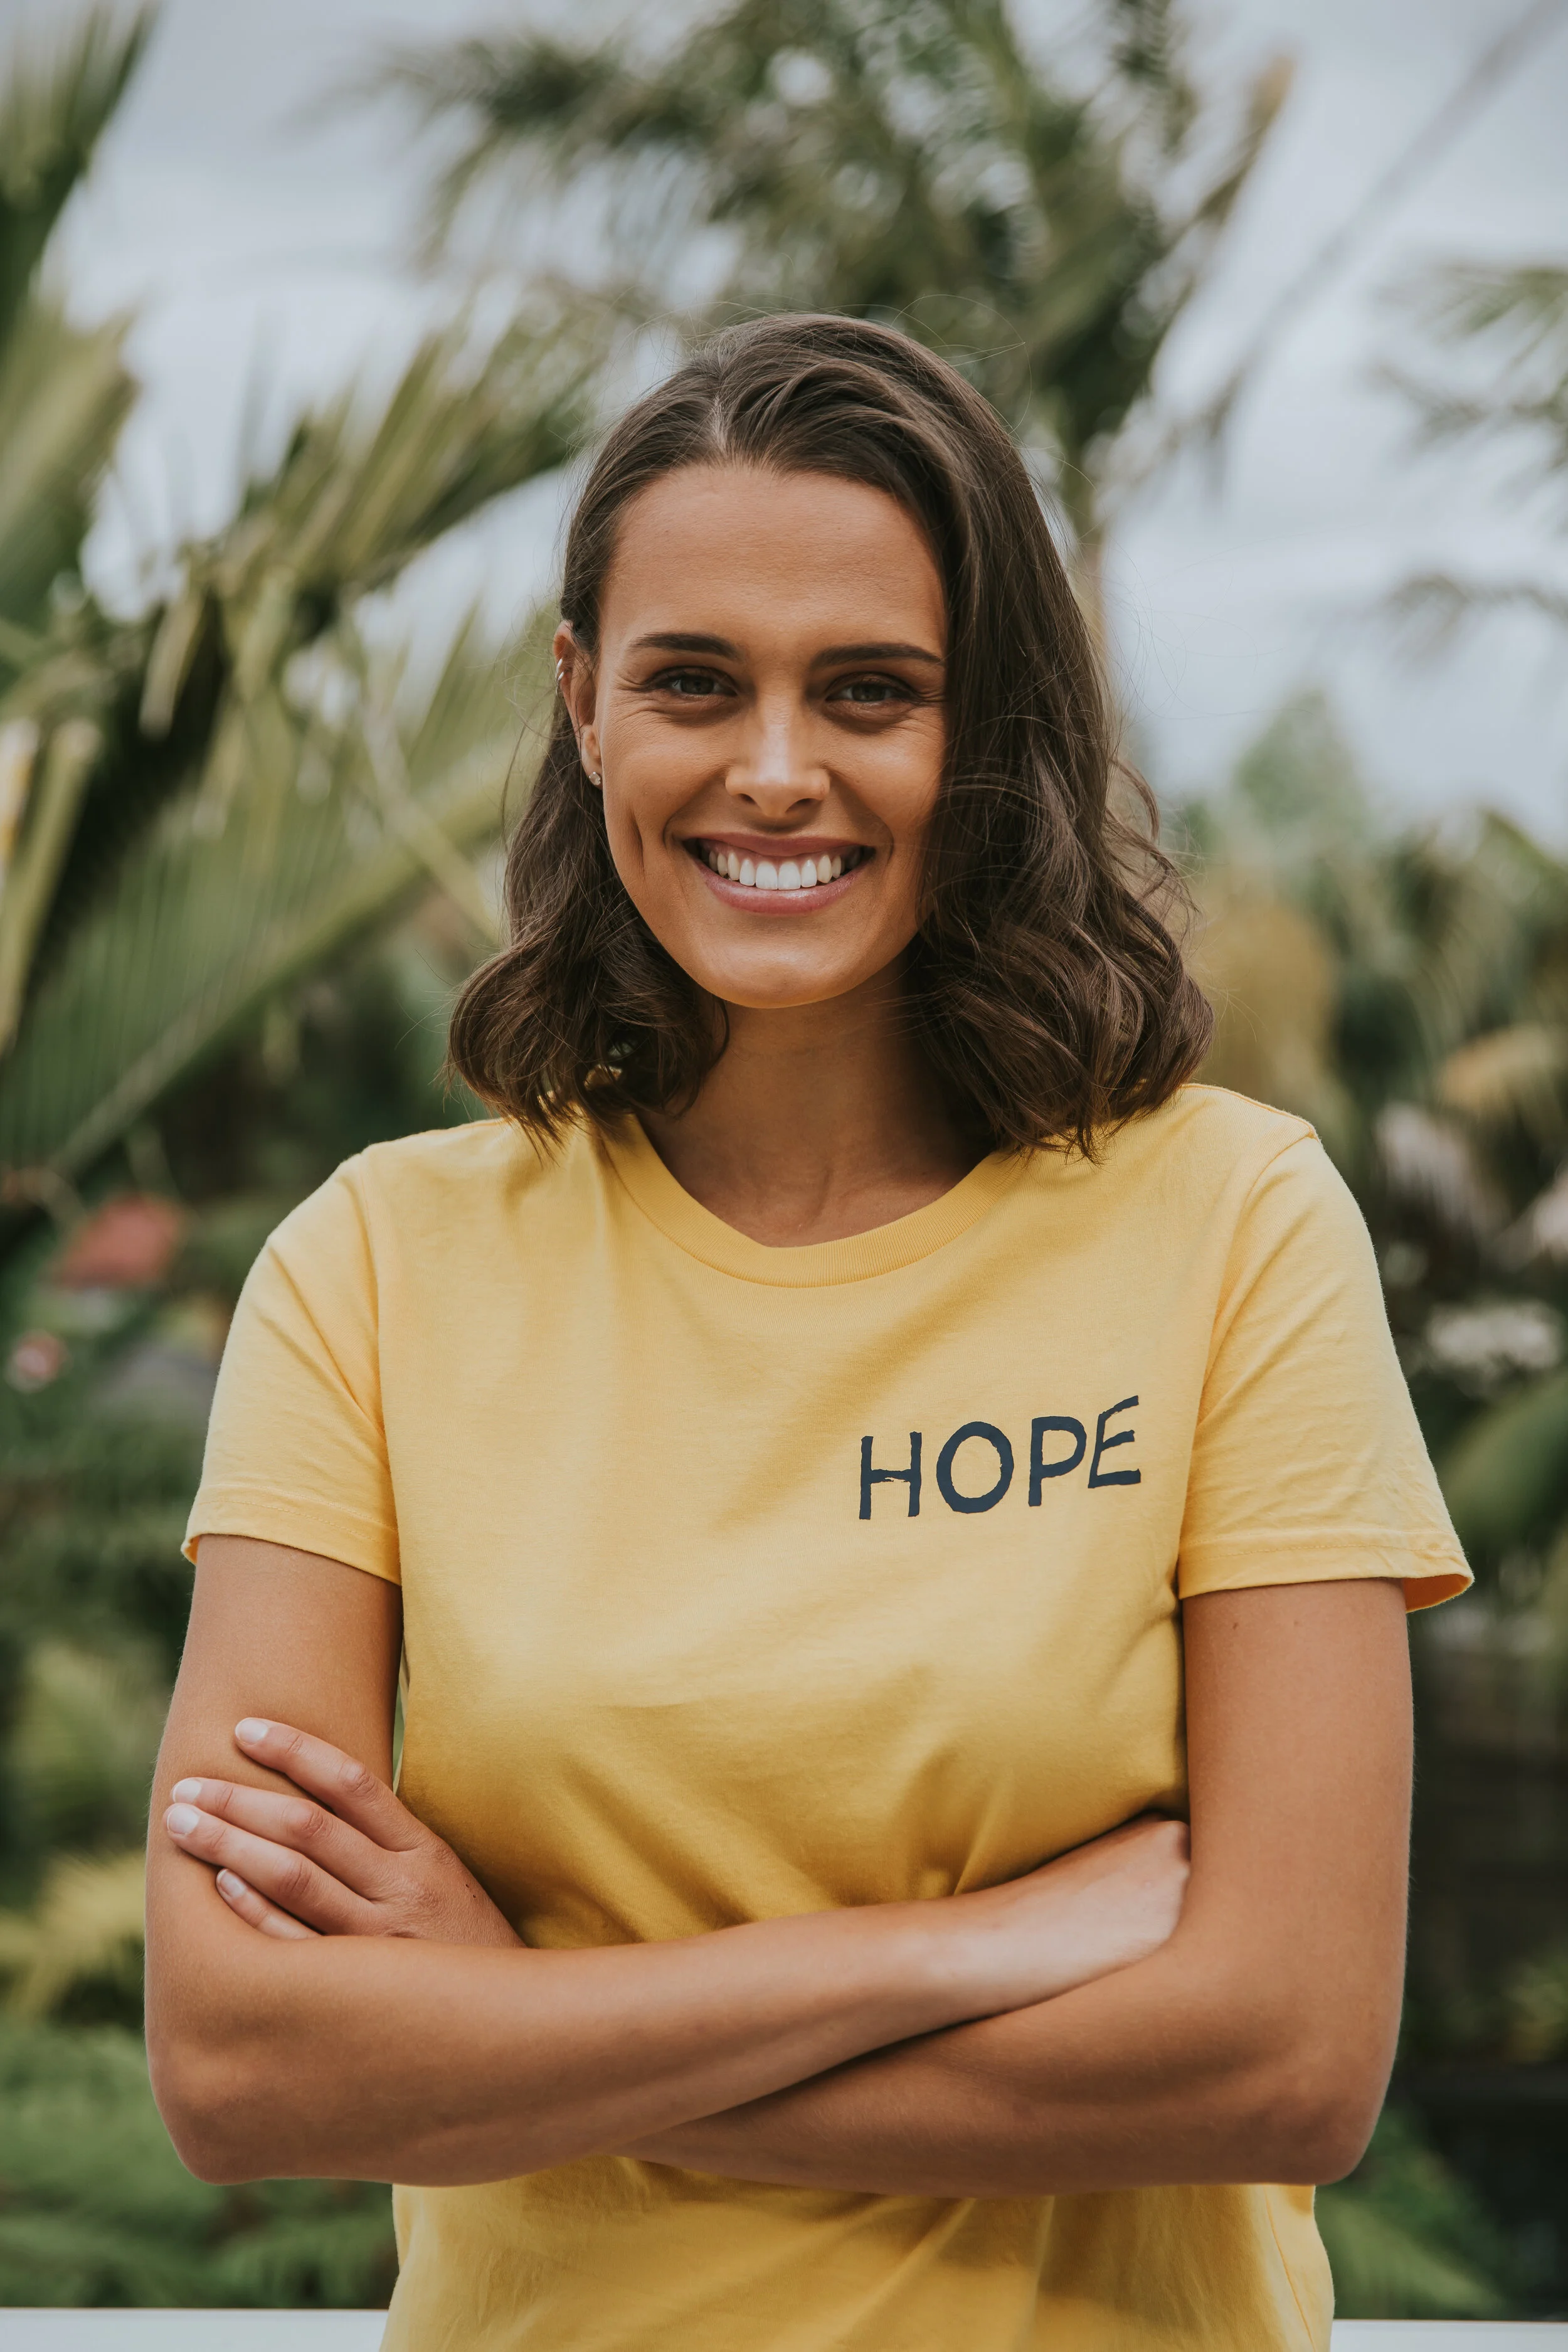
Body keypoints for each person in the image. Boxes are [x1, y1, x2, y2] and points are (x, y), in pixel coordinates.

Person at [146, 314, 1471, 2352]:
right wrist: (983, 1950)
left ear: (990, 727)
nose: (776, 770)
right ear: (585, 706)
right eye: (695, 682)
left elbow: (1284, 2052)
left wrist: (498, 2025)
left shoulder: (1232, 1223)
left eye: (871, 690)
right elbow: (246, 2071)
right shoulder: (372, 1270)